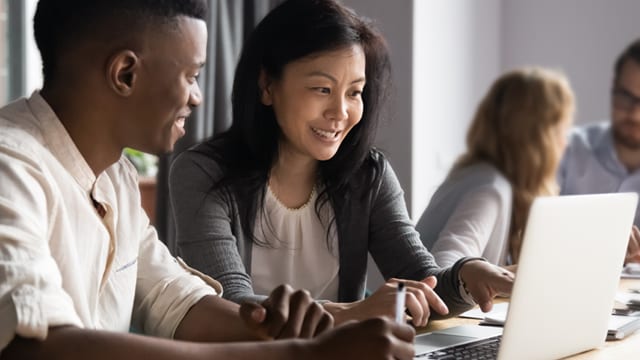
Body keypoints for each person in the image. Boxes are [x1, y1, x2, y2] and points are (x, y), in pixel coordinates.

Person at [0, 1, 417, 359]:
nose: (197, 97)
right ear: (125, 73)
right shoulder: (10, 165)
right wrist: (302, 353)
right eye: (191, 76)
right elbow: (35, 346)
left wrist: (288, 326)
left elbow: (176, 302)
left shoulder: (116, 178)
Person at [170, 0, 513, 328]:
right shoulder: (201, 173)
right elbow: (231, 305)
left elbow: (424, 284)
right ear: (267, 86)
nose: (340, 112)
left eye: (354, 92)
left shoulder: (369, 175)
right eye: (322, 89)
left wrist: (469, 276)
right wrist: (352, 313)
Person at [415, 67, 575, 268]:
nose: (565, 142)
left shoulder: (474, 174)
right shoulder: (489, 189)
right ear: (539, 139)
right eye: (561, 130)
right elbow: (444, 267)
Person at [558, 38, 640, 264]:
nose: (634, 113)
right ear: (613, 88)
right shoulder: (567, 148)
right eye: (626, 97)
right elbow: (526, 236)